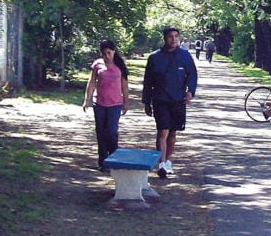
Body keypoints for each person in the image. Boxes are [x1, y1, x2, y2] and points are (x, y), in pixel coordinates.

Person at [142, 27, 198, 178]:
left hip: (178, 100)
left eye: (175, 36)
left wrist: (190, 92)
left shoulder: (185, 56)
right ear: (164, 38)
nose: (173, 39)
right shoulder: (155, 57)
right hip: (160, 99)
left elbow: (192, 75)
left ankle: (167, 161)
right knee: (162, 131)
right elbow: (147, 81)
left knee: (172, 132)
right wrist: (146, 101)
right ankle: (161, 164)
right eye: (170, 37)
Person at [82, 40, 130, 172]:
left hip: (115, 104)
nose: (107, 56)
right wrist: (87, 99)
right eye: (104, 54)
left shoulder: (119, 66)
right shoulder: (97, 65)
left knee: (112, 132)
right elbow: (92, 82)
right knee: (101, 132)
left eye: (109, 53)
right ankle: (103, 161)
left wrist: (126, 102)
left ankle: (114, 158)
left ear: (114, 51)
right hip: (100, 103)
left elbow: (124, 86)